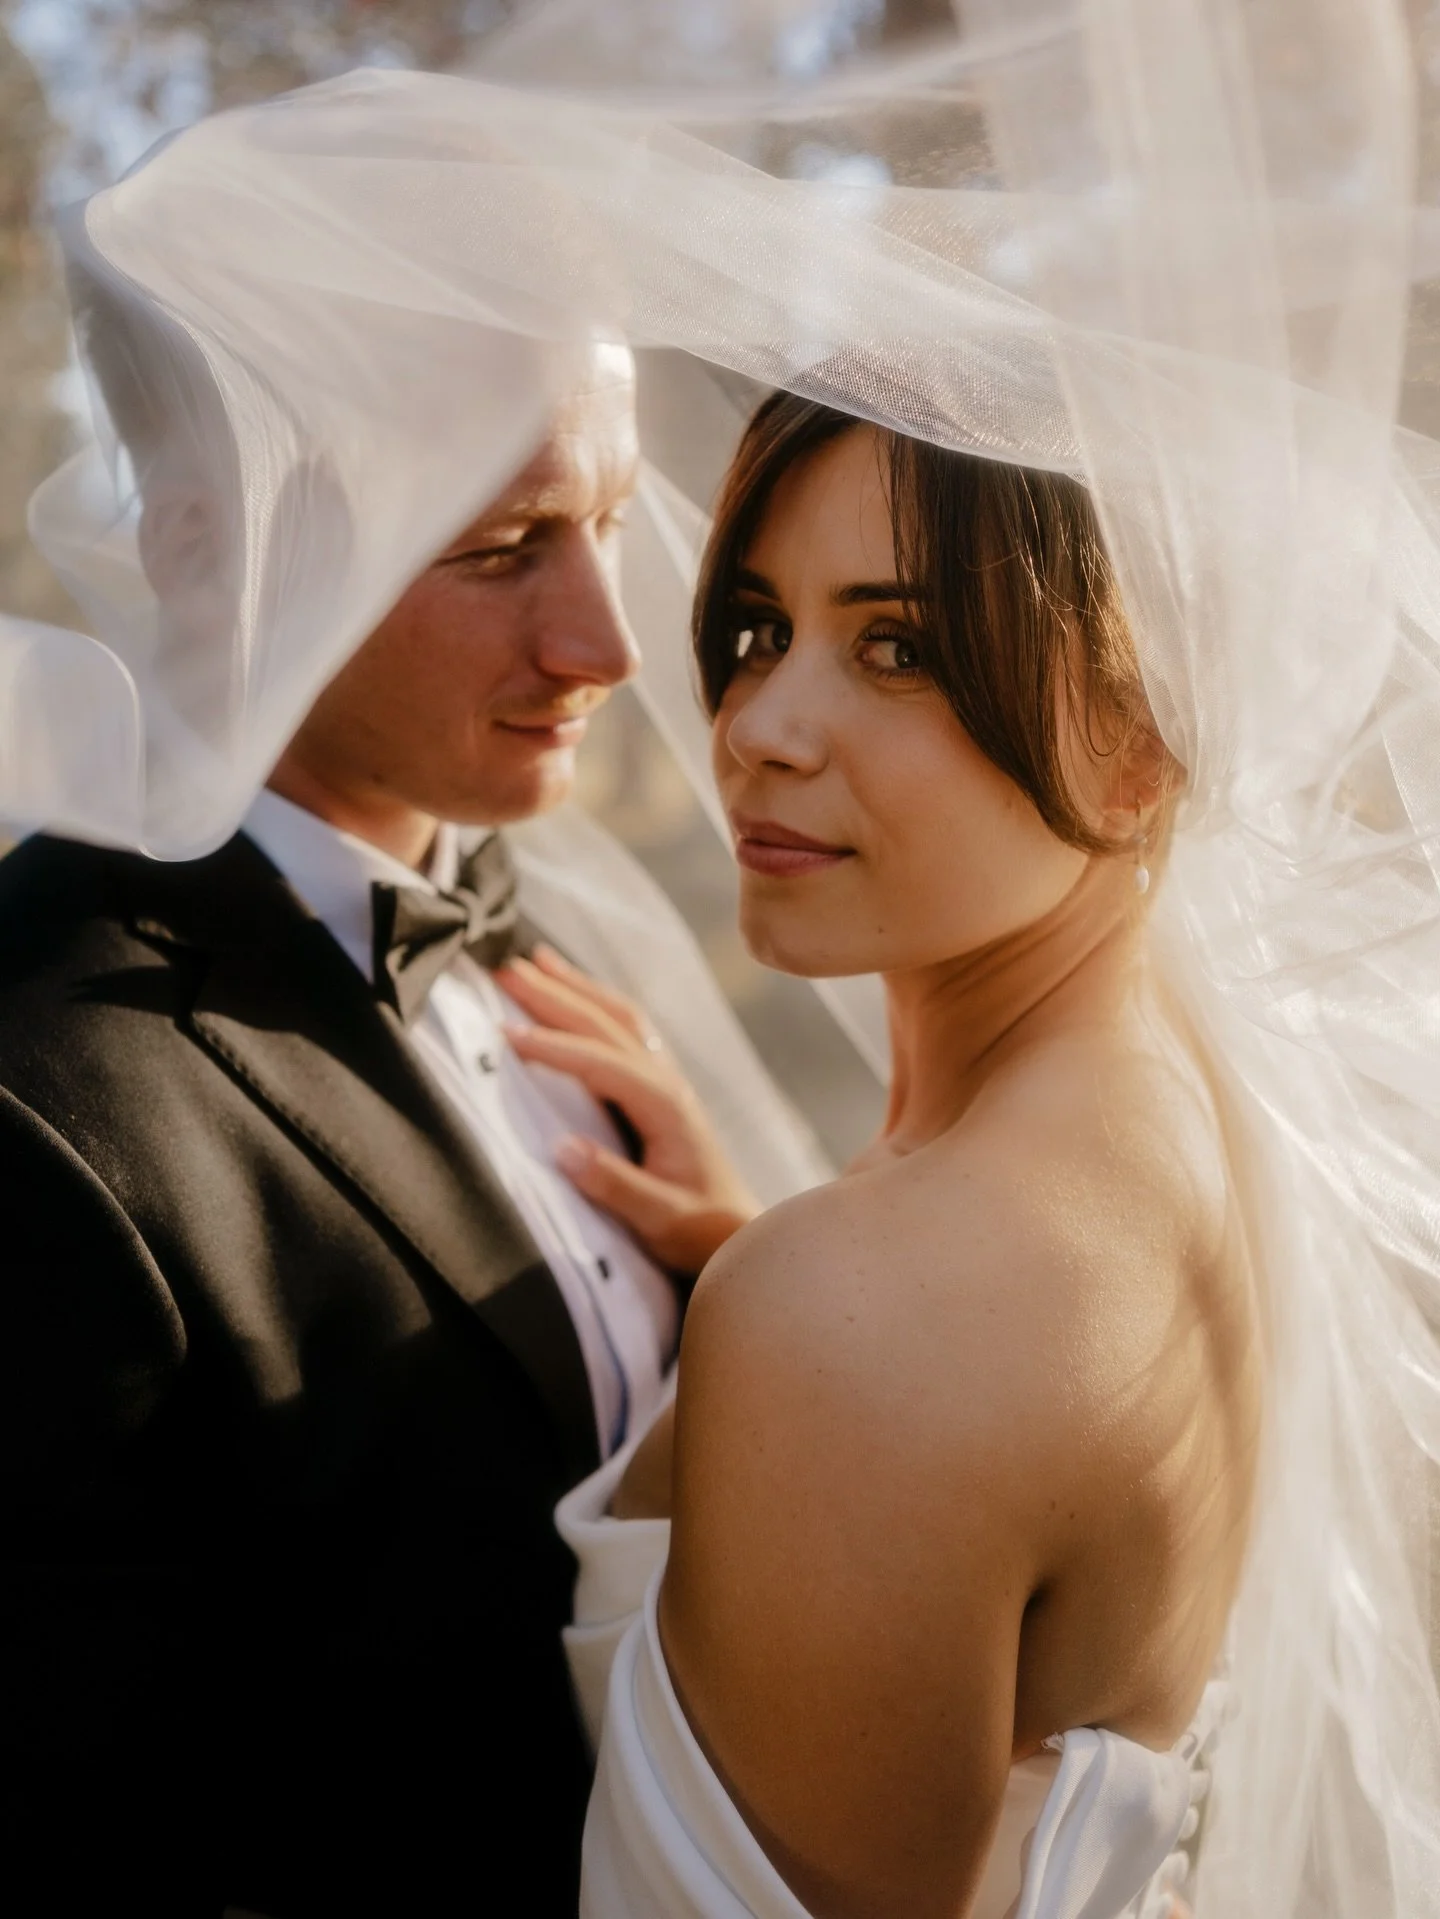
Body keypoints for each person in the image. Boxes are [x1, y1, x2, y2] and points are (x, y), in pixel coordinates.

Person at [0, 342, 771, 1918]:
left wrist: (756, 1286)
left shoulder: (557, 935)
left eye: (609, 521)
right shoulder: (39, 1094)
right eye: (502, 546)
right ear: (205, 546)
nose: (608, 642)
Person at [525, 395, 1260, 1917]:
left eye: (899, 648)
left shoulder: (872, 1313)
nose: (757, 728)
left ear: (1141, 742)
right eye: (759, 629)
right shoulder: (1183, 1117)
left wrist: (822, 1291)